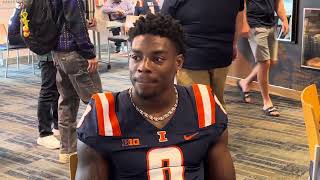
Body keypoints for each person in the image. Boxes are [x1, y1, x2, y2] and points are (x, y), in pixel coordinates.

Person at [76, 14, 235, 179]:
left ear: (178, 63)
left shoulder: (203, 104)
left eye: (158, 59)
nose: (143, 67)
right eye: (136, 57)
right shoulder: (103, 114)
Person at [161, 0, 244, 110]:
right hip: (221, 52)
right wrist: (233, 44)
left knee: (195, 107)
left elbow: (164, 22)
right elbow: (239, 19)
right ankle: (219, 126)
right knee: (217, 104)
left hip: (191, 56)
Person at [51, 0, 103, 163]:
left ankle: (67, 151)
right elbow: (76, 24)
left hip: (58, 54)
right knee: (97, 102)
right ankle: (101, 149)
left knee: (66, 102)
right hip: (75, 54)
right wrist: (89, 52)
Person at [7, 2, 60, 149]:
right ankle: (44, 133)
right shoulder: (29, 4)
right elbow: (18, 31)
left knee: (57, 89)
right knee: (48, 89)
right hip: (46, 51)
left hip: (55, 49)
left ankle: (57, 126)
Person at [237, 0, 288, 117]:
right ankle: (267, 102)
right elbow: (242, 3)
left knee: (271, 61)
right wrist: (244, 24)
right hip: (255, 24)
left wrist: (284, 19)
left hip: (271, 25)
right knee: (265, 62)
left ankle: (244, 82)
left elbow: (278, 2)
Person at [36, 53, 60, 150]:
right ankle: (44, 134)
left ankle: (58, 126)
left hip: (58, 54)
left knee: (58, 91)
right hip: (48, 56)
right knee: (47, 92)